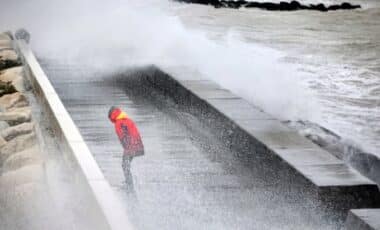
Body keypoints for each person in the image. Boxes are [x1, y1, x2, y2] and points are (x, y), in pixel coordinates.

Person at [108, 106, 144, 189]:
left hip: (130, 146)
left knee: (125, 165)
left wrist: (126, 147)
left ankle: (129, 184)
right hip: (137, 145)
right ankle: (129, 182)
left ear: (111, 115)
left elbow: (122, 136)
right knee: (126, 164)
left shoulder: (118, 123)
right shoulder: (127, 120)